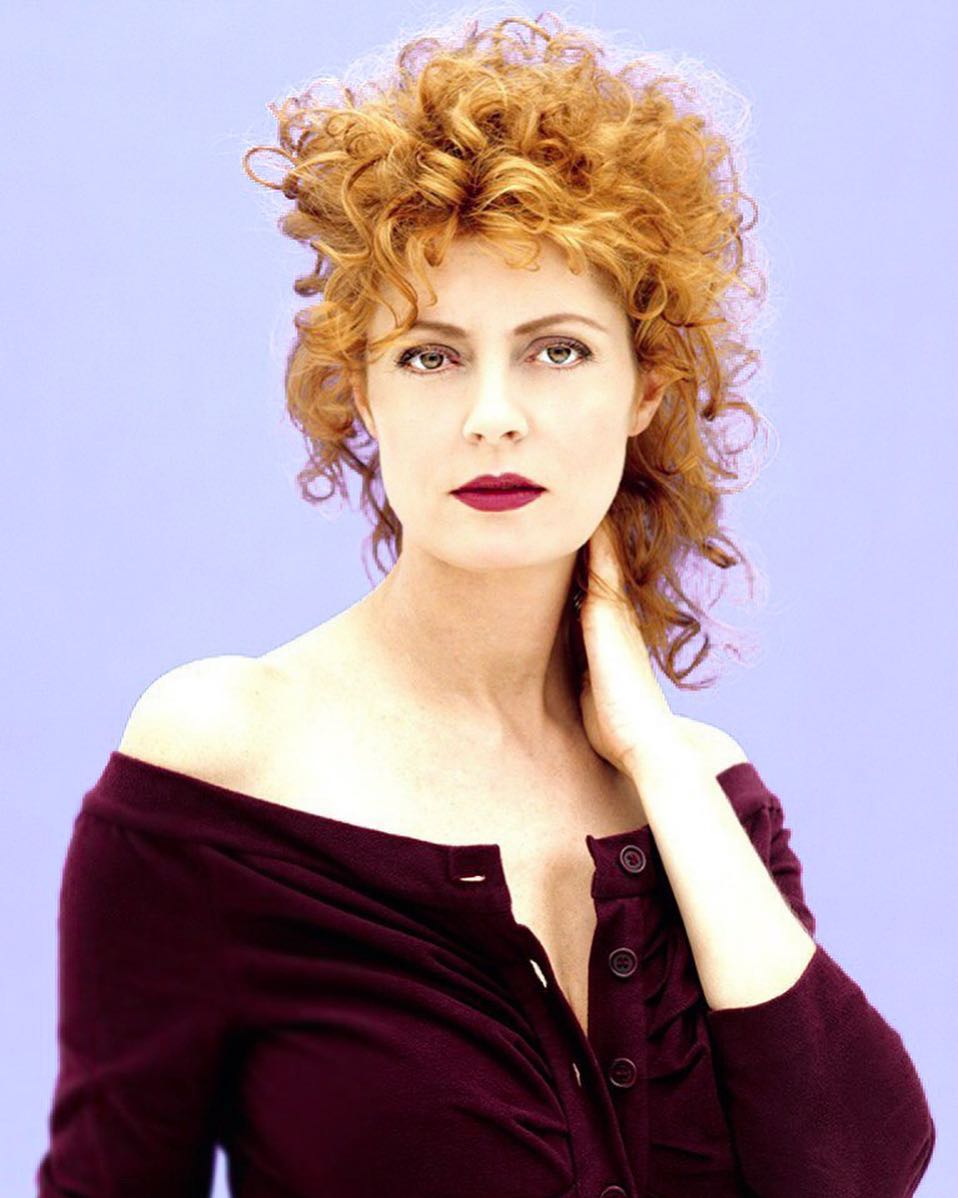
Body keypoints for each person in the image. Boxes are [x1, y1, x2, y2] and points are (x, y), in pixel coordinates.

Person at [36, 10, 935, 1197]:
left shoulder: (703, 799)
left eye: (557, 350)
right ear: (359, 390)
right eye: (431, 354)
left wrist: (653, 754)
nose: (493, 416)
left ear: (644, 388)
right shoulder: (226, 761)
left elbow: (858, 1169)